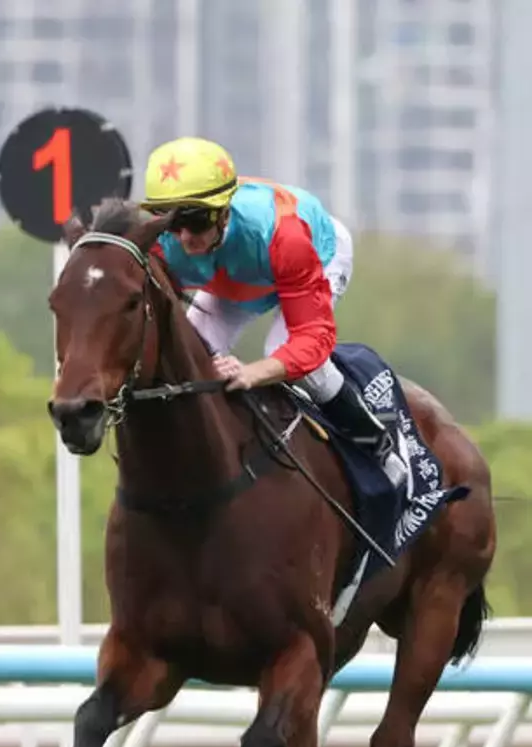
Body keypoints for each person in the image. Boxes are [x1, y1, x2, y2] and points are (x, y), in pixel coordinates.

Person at [141, 136, 406, 487]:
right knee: (187, 356)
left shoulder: (285, 238)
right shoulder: (161, 239)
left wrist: (252, 373)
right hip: (232, 276)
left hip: (315, 256)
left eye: (197, 221)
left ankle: (379, 446)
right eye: (173, 223)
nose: (186, 239)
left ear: (223, 212)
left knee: (292, 364)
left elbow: (312, 340)